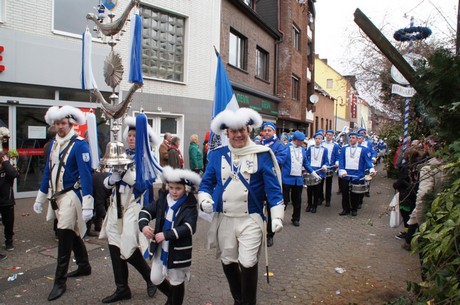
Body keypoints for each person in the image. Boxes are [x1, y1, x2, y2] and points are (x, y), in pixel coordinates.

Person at [198, 107, 284, 305]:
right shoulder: (217, 154)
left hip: (251, 219)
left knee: (248, 262)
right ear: (227, 133)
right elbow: (206, 183)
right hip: (225, 218)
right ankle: (238, 298)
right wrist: (204, 200)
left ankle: (249, 302)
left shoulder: (262, 154)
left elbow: (273, 190)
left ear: (249, 130)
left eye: (242, 130)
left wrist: (277, 216)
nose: (238, 134)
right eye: (233, 131)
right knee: (228, 261)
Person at [33, 106, 94, 301]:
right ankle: (84, 265)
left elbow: (86, 176)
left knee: (64, 233)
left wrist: (88, 204)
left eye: (63, 123)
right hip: (56, 196)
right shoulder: (52, 144)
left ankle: (59, 282)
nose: (60, 127)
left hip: (71, 197)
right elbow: (47, 172)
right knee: (72, 231)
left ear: (71, 124)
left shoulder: (80, 144)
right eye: (57, 123)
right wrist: (40, 197)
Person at [99, 115, 160, 303]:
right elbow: (107, 182)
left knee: (128, 247)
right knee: (114, 246)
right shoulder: (122, 154)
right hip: (116, 205)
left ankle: (150, 278)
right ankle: (122, 288)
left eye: (136, 136)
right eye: (130, 135)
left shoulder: (148, 158)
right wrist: (110, 180)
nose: (132, 138)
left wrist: (124, 174)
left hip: (134, 206)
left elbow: (143, 186)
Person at [139, 166, 201, 305]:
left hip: (178, 249)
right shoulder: (163, 200)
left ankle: (175, 301)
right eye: (171, 187)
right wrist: (143, 226)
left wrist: (167, 235)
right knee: (154, 278)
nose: (174, 191)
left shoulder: (190, 204)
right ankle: (171, 298)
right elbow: (146, 211)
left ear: (185, 188)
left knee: (176, 280)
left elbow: (190, 227)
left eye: (178, 188)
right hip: (161, 247)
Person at [404, 136, 445, 251]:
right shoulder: (449, 164)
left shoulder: (429, 168)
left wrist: (421, 222)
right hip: (444, 211)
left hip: (431, 212)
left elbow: (424, 195)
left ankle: (410, 242)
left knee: (426, 246)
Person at [280, 131, 317, 226]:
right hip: (286, 179)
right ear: (296, 140)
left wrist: (313, 173)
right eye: (301, 141)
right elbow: (280, 162)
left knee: (297, 201)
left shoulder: (303, 149)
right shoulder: (285, 148)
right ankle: (279, 218)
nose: (302, 143)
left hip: (298, 179)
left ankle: (296, 219)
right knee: (284, 201)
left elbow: (305, 163)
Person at [259, 121, 286, 247]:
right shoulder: (259, 144)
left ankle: (270, 235)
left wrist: (267, 162)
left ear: (274, 132)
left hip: (272, 180)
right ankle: (257, 232)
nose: (267, 132)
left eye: (269, 130)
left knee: (271, 208)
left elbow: (281, 159)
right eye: (265, 130)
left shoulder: (279, 146)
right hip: (259, 180)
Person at [338, 132, 376, 217]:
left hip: (357, 174)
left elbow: (368, 161)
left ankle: (354, 209)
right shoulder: (344, 149)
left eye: (353, 137)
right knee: (344, 193)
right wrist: (342, 170)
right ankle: (345, 209)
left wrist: (371, 169)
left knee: (354, 193)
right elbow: (341, 160)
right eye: (350, 137)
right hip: (346, 174)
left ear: (357, 139)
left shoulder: (364, 149)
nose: (351, 139)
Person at [305, 132, 329, 213]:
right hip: (311, 171)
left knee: (317, 190)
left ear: (322, 140)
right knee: (309, 189)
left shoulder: (325, 150)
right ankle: (309, 204)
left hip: (319, 172)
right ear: (314, 139)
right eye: (316, 138)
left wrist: (325, 166)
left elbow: (326, 161)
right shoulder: (310, 148)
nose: (318, 140)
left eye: (319, 139)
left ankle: (314, 206)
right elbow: (305, 159)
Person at [0, 151, 19, 251]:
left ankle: (9, 241)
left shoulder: (8, 169)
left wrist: (6, 163)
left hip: (7, 200)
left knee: (8, 222)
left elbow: (14, 174)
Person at [321, 130, 340, 207]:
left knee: (328, 184)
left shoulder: (335, 145)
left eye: (330, 135)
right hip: (322, 167)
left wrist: (336, 162)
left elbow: (337, 156)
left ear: (332, 136)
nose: (328, 136)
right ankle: (320, 198)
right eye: (327, 135)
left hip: (330, 167)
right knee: (320, 183)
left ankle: (328, 200)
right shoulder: (321, 143)